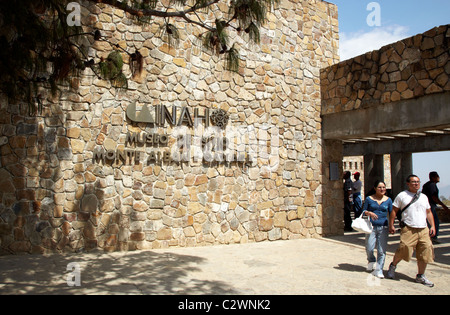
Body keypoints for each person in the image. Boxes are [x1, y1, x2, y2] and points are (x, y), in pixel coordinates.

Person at [387, 175, 436, 287]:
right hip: (409, 228)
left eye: (418, 182)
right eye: (413, 182)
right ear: (408, 183)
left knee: (425, 252)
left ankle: (420, 275)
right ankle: (393, 265)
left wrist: (432, 226)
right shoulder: (402, 196)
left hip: (423, 228)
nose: (416, 184)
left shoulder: (423, 197)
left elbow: (428, 212)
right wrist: (391, 224)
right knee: (404, 250)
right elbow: (394, 211)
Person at [362, 180, 392, 278]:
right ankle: (371, 260)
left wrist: (392, 225)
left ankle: (379, 269)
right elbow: (363, 211)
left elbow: (392, 213)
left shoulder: (388, 200)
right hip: (371, 227)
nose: (382, 189)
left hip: (383, 227)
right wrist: (369, 213)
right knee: (369, 247)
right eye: (380, 187)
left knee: (381, 250)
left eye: (383, 187)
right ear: (375, 188)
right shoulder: (369, 199)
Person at [422, 171, 449, 244]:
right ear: (433, 177)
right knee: (434, 221)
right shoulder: (432, 185)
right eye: (437, 176)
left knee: (432, 221)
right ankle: (432, 236)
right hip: (430, 205)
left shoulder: (427, 185)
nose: (438, 178)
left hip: (428, 205)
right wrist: (444, 205)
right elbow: (434, 197)